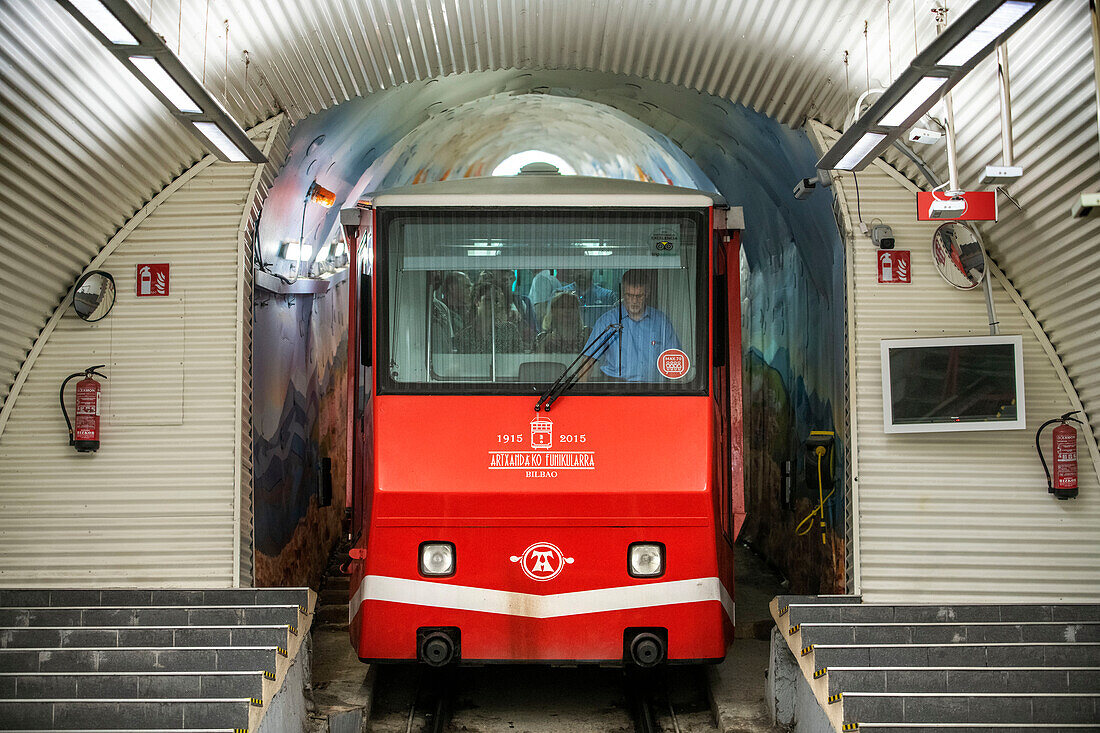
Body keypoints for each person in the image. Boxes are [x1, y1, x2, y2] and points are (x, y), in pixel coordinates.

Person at [580, 269, 681, 382]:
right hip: (615, 389)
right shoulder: (607, 322)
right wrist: (578, 396)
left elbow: (676, 358)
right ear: (623, 293)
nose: (634, 301)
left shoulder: (661, 322)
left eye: (639, 296)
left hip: (654, 390)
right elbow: (588, 359)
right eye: (629, 295)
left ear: (647, 293)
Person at [454, 282, 526, 354]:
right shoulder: (464, 335)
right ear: (477, 302)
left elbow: (519, 358)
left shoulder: (509, 330)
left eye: (497, 301)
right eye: (488, 300)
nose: (493, 304)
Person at [431, 271, 472, 352]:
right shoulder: (439, 310)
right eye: (466, 287)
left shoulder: (470, 313)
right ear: (452, 287)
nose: (469, 291)